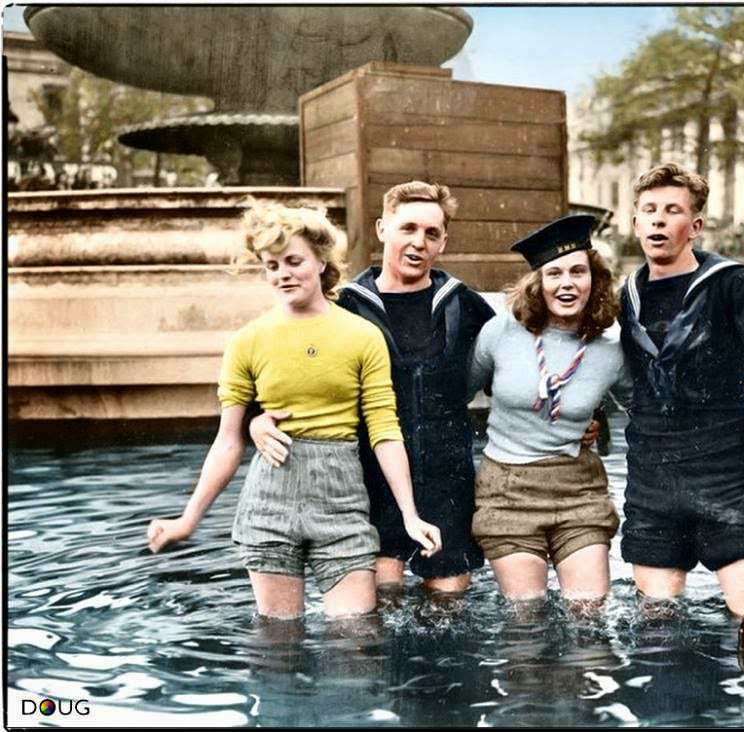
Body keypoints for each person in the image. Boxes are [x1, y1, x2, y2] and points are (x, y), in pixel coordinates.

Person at [146, 202, 440, 618]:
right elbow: (227, 441)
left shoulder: (362, 335)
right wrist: (187, 520)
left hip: (341, 504)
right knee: (278, 644)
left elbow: (384, 431)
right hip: (269, 505)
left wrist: (410, 515)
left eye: (293, 261)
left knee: (355, 640)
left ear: (321, 260)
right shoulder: (247, 341)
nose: (283, 273)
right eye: (271, 265)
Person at [249, 182, 496, 595]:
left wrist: (588, 419)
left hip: (446, 484)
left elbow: (519, 365)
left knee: (449, 607)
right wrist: (256, 422)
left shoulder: (463, 305)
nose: (418, 242)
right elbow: (278, 373)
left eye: (431, 233)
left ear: (443, 242)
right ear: (383, 229)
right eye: (408, 228)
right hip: (366, 486)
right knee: (380, 609)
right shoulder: (343, 307)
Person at [618, 163, 744, 620]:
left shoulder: (731, 282)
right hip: (651, 482)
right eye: (650, 210)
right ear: (636, 224)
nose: (659, 219)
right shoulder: (624, 295)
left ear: (696, 226)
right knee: (657, 635)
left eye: (672, 210)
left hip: (721, 479)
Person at [468, 214, 631, 602]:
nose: (567, 283)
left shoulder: (612, 348)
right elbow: (452, 397)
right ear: (538, 284)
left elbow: (648, 410)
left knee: (588, 613)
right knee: (527, 619)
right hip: (507, 490)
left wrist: (731, 401)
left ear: (595, 280)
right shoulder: (501, 332)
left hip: (579, 491)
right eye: (554, 273)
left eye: (578, 271)